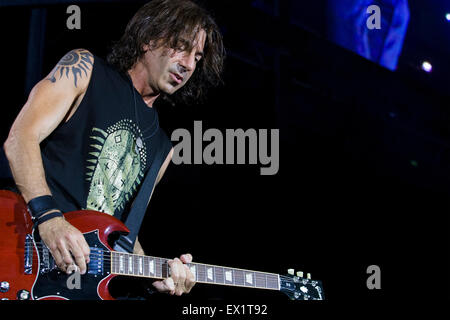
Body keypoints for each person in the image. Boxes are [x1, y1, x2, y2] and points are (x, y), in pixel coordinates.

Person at [2, 0, 224, 299]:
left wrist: (153, 274)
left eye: (197, 57)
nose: (189, 64)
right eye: (182, 47)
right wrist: (50, 219)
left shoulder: (162, 148)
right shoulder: (85, 70)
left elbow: (121, 233)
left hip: (73, 285)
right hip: (19, 246)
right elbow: (20, 138)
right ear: (148, 39)